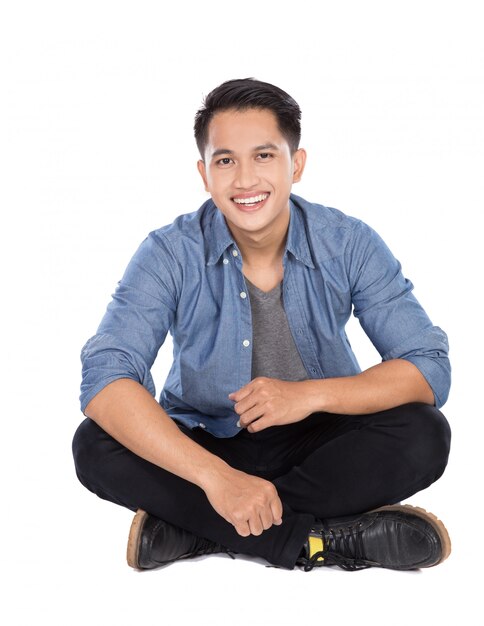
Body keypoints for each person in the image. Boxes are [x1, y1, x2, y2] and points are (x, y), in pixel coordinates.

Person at [72, 78, 452, 572]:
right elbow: (105, 376)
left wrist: (307, 396)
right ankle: (318, 541)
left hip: (318, 443)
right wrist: (216, 478)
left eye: (265, 156)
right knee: (94, 444)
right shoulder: (168, 252)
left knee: (424, 433)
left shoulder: (348, 242)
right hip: (205, 441)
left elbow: (428, 369)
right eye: (225, 160)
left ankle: (197, 532)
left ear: (296, 164)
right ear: (204, 174)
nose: (245, 180)